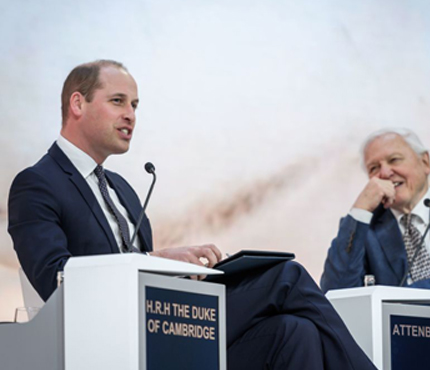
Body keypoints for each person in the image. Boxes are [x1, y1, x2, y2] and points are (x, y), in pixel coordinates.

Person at [8, 60, 375, 370]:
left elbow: (139, 269)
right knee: (286, 277)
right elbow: (56, 279)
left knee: (295, 331)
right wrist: (153, 259)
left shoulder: (122, 188)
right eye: (118, 101)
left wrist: (180, 271)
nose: (130, 115)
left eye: (135, 105)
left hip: (169, 321)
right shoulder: (37, 184)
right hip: (119, 335)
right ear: (78, 103)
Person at [320, 128, 430, 370]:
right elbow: (336, 296)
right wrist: (360, 209)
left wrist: (402, 299)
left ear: (424, 162)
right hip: (400, 345)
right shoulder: (365, 227)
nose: (384, 172)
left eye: (394, 160)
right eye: (374, 168)